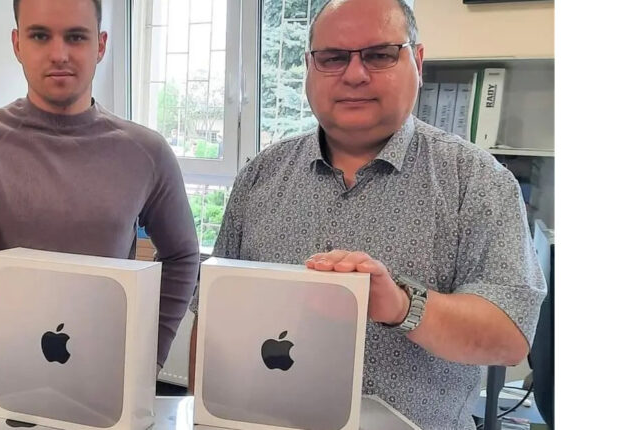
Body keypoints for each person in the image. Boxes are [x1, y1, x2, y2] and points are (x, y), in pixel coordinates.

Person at [189, 0, 546, 428]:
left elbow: (509, 336)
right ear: (310, 66)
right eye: (333, 58)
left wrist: (401, 306)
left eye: (379, 55)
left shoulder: (477, 181)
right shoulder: (261, 176)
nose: (355, 74)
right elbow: (212, 317)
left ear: (417, 61)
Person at [0, 0, 199, 424]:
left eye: (76, 37)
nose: (59, 54)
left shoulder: (146, 152)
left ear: (100, 45)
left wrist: (149, 357)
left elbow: (182, 255)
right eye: (39, 36)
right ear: (17, 43)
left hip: (102, 398)